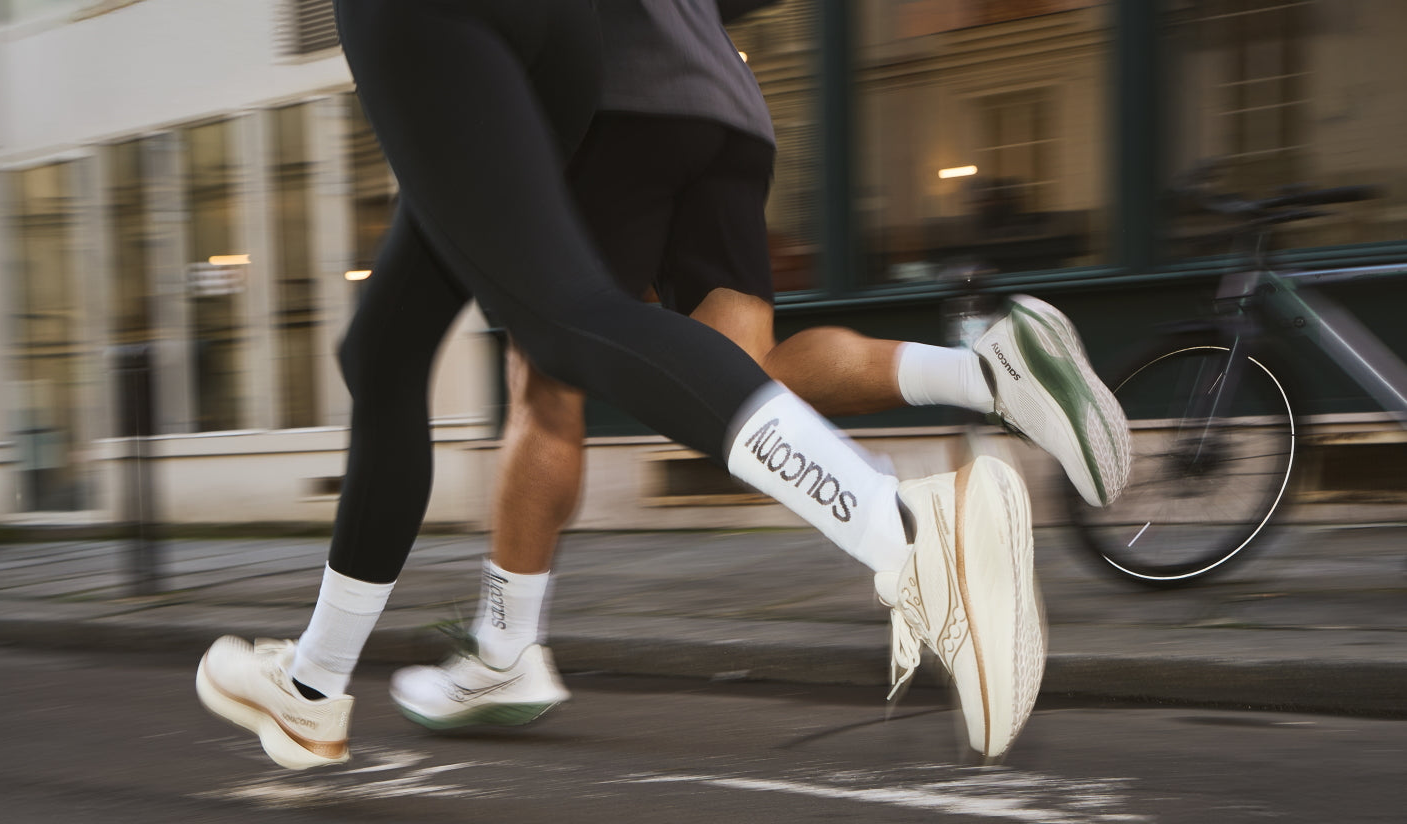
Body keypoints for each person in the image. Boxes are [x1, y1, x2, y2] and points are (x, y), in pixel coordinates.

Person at [196, 0, 1124, 770]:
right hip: (644, 70)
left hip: (548, 61)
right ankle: (315, 685)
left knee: (561, 341)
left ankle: (912, 535)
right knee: (393, 348)